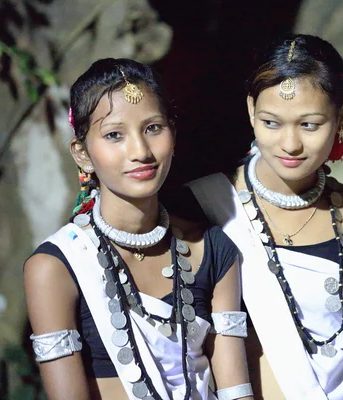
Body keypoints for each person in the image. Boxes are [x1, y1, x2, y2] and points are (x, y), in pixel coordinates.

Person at [24, 58, 253, 400]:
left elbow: (236, 391)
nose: (141, 152)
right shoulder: (56, 268)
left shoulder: (213, 248)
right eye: (114, 135)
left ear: (173, 135)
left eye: (153, 128)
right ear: (82, 154)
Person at [186, 34, 343, 399]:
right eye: (271, 123)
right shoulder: (203, 208)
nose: (290, 144)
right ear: (251, 110)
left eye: (309, 124)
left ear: (342, 115)